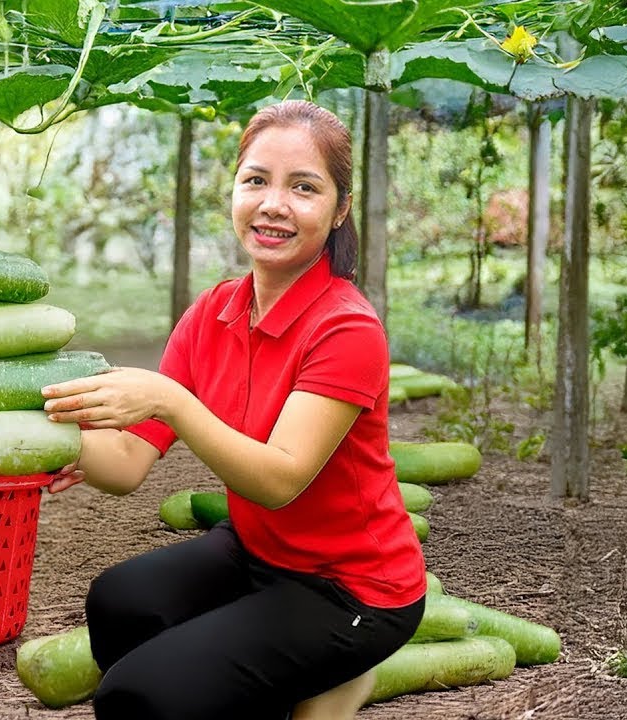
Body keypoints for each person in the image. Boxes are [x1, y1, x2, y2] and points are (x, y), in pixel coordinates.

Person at [40, 99, 426, 720]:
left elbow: (279, 480)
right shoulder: (214, 311)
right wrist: (38, 437)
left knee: (139, 697)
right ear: (235, 191)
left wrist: (172, 400)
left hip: (355, 589)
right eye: (256, 181)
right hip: (258, 551)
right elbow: (125, 464)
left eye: (303, 187)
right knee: (120, 599)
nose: (274, 204)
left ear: (339, 210)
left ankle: (337, 678)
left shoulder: (347, 328)